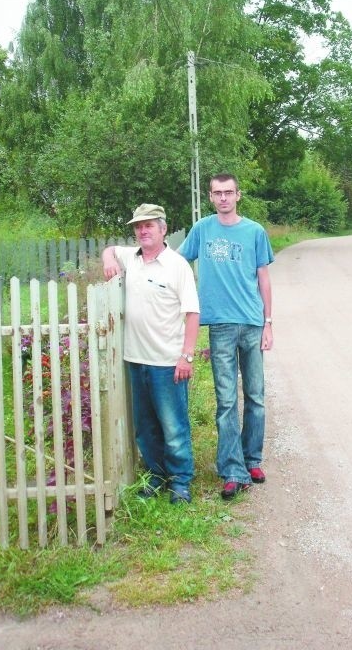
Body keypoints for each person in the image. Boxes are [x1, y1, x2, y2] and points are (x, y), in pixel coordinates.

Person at [178, 173, 274, 500]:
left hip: (251, 323)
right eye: (217, 193)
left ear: (238, 195)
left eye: (228, 192)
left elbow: (264, 279)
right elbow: (177, 262)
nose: (223, 198)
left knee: (257, 397)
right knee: (227, 400)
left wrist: (268, 322)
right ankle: (233, 470)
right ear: (210, 197)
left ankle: (252, 460)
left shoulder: (255, 232)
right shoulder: (202, 230)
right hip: (219, 325)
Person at [102, 203, 200, 505]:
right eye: (138, 226)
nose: (142, 231)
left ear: (163, 229)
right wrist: (108, 260)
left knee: (173, 426)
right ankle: (156, 476)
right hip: (136, 360)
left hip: (167, 362)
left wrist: (186, 356)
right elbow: (109, 250)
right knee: (145, 427)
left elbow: (192, 313)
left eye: (149, 225)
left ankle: (181, 481)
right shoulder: (131, 258)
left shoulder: (177, 265)